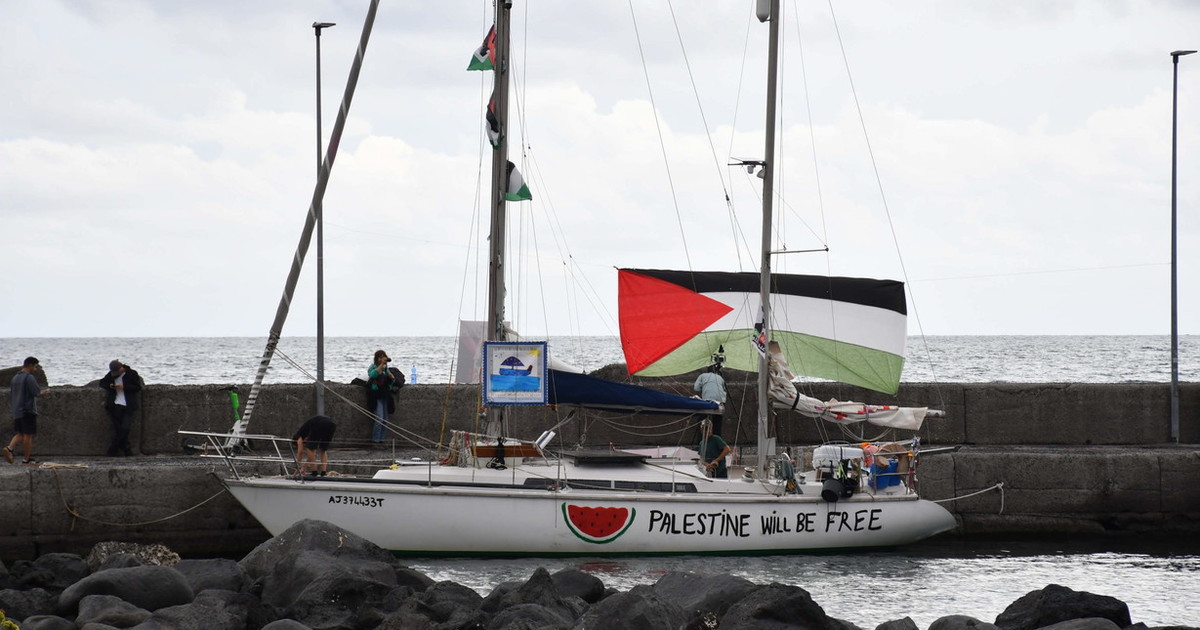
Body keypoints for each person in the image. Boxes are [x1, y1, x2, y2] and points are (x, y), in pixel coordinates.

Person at [6, 356, 47, 465]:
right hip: (27, 410)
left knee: (20, 433)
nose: (35, 369)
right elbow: (36, 392)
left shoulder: (15, 378)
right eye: (35, 367)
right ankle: (26, 459)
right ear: (30, 365)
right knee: (28, 435)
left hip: (17, 410)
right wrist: (45, 392)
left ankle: (9, 448)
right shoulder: (29, 378)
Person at [99, 360, 143, 456]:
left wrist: (124, 387)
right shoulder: (111, 375)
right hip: (115, 405)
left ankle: (112, 450)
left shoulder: (132, 374)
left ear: (121, 368)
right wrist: (110, 386)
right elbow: (102, 383)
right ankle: (127, 450)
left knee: (125, 428)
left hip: (128, 405)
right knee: (118, 429)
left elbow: (137, 387)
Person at [367, 350, 396, 443]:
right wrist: (381, 365)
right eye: (381, 357)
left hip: (384, 395)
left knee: (385, 419)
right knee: (379, 418)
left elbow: (391, 381)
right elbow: (372, 374)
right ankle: (375, 440)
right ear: (377, 358)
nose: (382, 359)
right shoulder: (373, 367)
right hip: (376, 395)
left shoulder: (385, 368)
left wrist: (391, 377)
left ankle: (381, 439)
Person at [693, 362, 727, 434]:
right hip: (720, 402)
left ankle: (701, 440)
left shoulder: (702, 376)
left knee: (702, 420)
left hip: (707, 401)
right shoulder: (720, 378)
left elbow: (696, 388)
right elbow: (724, 390)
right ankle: (717, 439)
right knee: (717, 423)